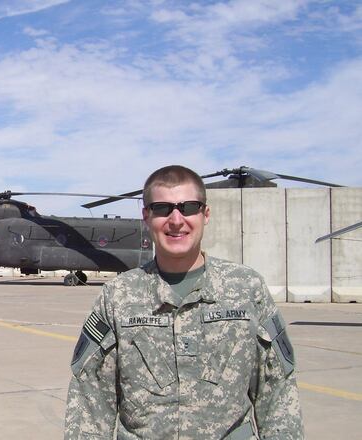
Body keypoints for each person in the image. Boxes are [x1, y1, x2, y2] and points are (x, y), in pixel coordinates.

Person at [65, 165, 303, 439]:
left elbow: (278, 392)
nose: (176, 220)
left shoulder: (247, 288)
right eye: (162, 208)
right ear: (146, 216)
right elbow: (90, 399)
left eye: (188, 207)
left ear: (206, 214)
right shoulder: (118, 295)